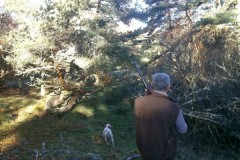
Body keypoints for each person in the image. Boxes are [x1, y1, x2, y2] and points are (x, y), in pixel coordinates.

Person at [134, 73, 187, 160]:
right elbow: (183, 130)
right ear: (168, 86)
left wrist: (147, 96)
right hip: (164, 155)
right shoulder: (174, 107)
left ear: (151, 84)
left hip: (144, 150)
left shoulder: (138, 101)